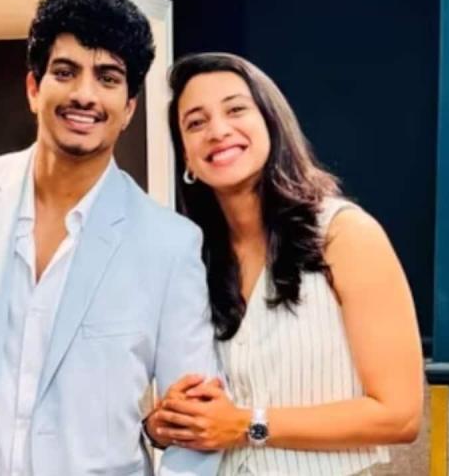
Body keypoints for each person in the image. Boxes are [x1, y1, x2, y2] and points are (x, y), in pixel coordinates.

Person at [0, 0, 221, 475]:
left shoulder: (169, 243)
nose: (84, 94)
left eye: (108, 77)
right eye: (65, 71)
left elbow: (196, 428)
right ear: (34, 88)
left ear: (129, 108)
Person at [143, 53, 424, 476]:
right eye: (195, 123)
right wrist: (162, 426)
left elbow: (400, 416)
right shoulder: (191, 258)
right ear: (186, 156)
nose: (217, 131)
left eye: (236, 110)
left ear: (271, 123)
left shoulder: (344, 234)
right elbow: (193, 409)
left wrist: (248, 425)